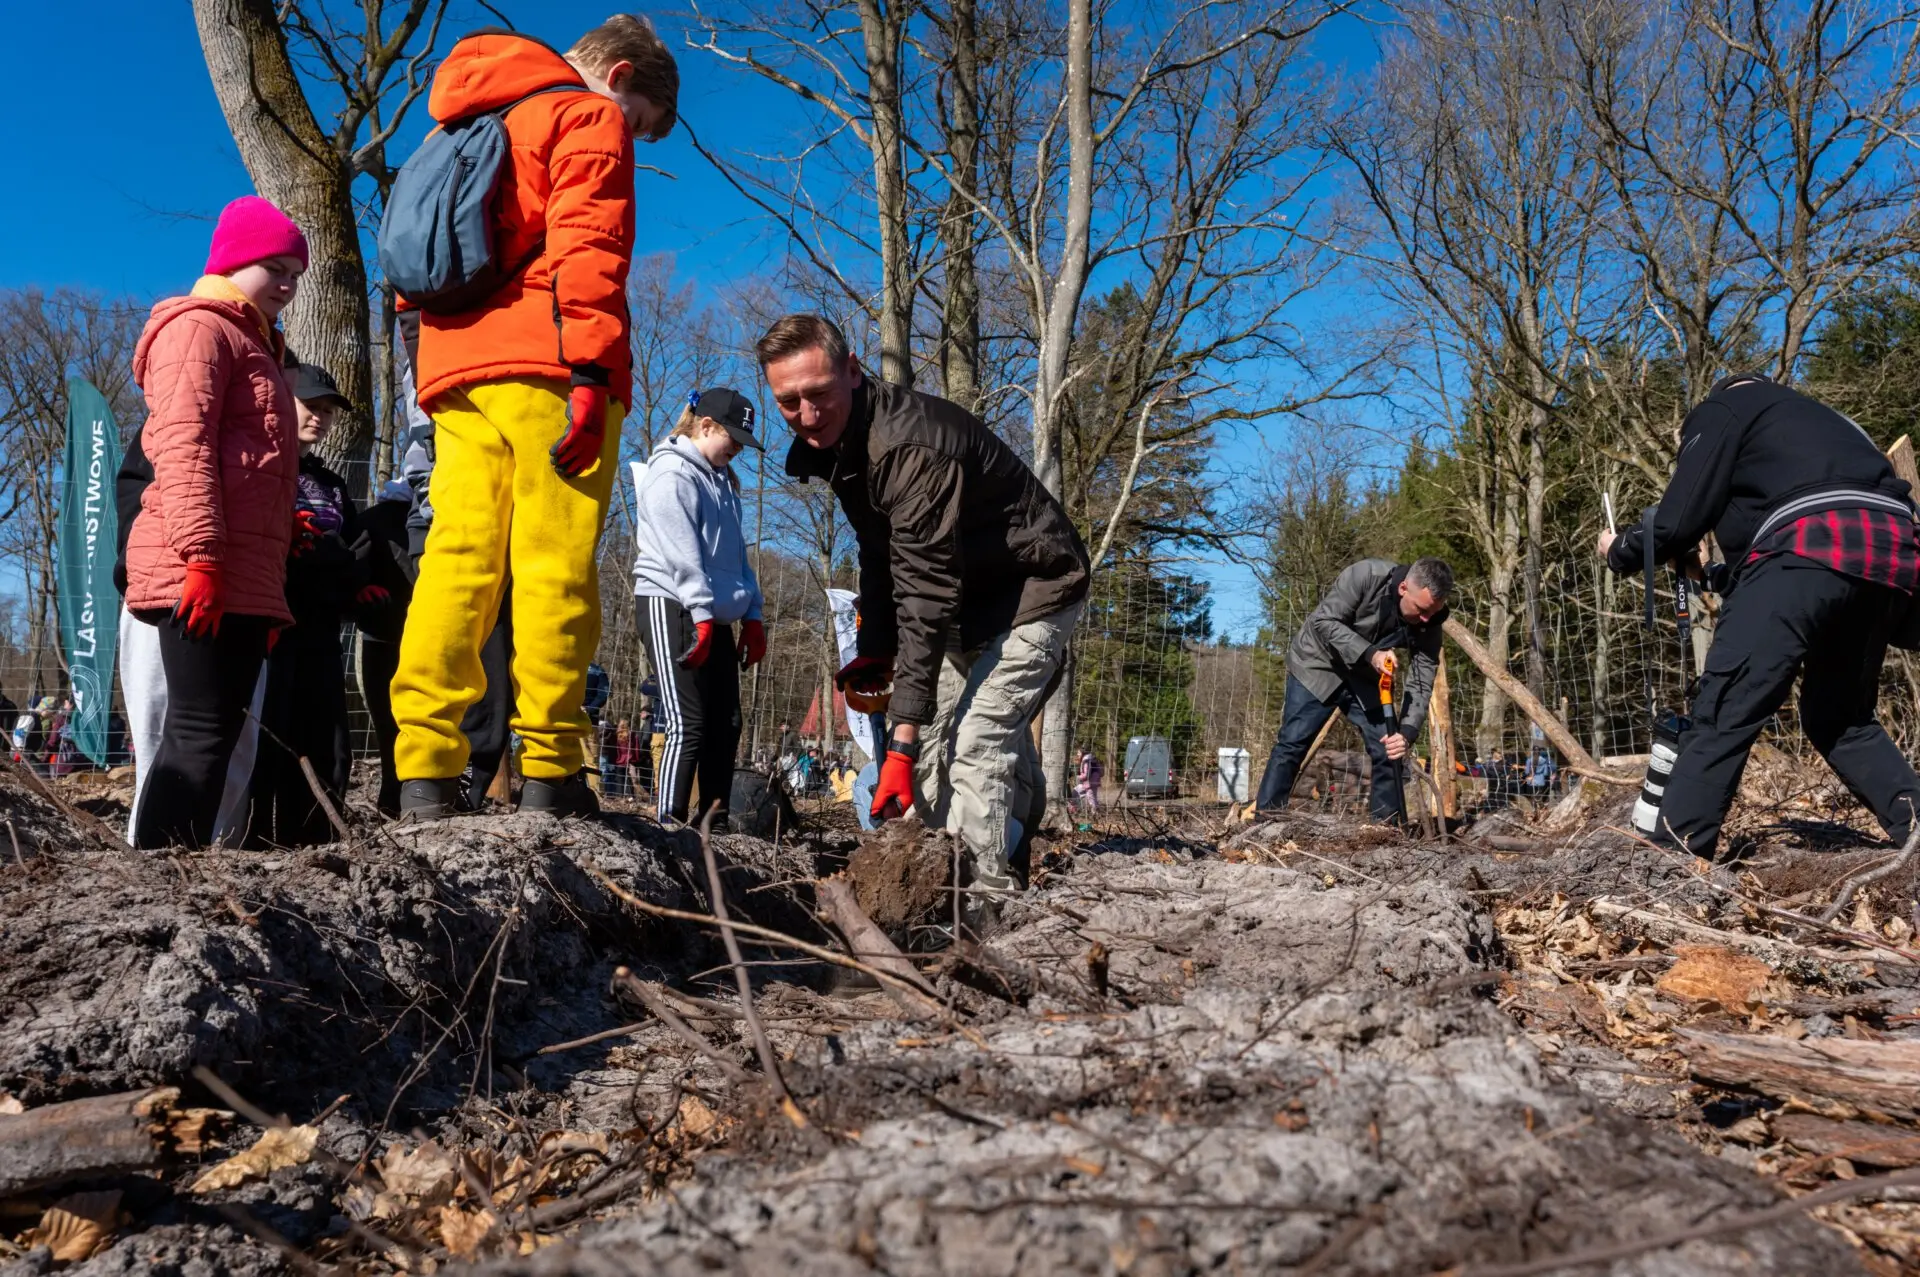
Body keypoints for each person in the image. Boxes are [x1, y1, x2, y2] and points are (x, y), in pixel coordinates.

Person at [389, 17, 679, 820]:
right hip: (552, 366)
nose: (635, 134)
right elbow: (591, 250)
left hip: (455, 374)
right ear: (618, 76)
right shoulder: (584, 117)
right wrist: (592, 371)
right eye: (642, 120)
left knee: (455, 564)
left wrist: (432, 369)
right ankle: (552, 773)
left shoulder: (462, 122)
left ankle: (424, 774)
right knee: (554, 566)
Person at [759, 314, 1091, 898]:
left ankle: (979, 903)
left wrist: (898, 744)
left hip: (1033, 588)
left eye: (818, 394)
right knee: (938, 743)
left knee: (978, 738)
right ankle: (971, 863)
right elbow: (879, 555)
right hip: (967, 601)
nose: (807, 417)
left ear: (854, 373)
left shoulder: (911, 446)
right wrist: (873, 655)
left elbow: (926, 590)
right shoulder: (841, 444)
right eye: (789, 403)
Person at [1599, 374, 1920, 855]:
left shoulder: (1728, 406)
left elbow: (1677, 518)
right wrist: (1712, 575)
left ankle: (1672, 862)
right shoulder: (1830, 425)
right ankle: (1915, 826)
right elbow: (1777, 581)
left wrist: (1622, 549)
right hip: (1890, 556)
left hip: (1807, 547)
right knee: (1840, 718)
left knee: (1724, 708)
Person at [122, 196, 305, 849]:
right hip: (196, 565)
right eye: (274, 266)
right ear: (233, 261)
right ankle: (155, 886)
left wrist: (270, 578)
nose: (287, 283)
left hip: (242, 575)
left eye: (295, 274)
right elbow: (184, 444)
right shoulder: (201, 329)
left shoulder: (259, 345)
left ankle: (188, 881)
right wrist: (202, 557)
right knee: (196, 734)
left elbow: (257, 472)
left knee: (219, 736)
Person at [247, 363, 385, 846]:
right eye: (312, 406)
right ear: (283, 402)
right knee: (272, 734)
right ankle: (257, 839)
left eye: (329, 411)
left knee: (329, 741)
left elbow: (348, 543)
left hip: (324, 625)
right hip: (272, 624)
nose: (322, 418)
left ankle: (319, 840)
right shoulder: (263, 464)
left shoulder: (330, 483)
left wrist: (355, 587)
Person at [632, 388, 766, 825]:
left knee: (727, 721)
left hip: (711, 613)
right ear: (705, 426)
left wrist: (753, 614)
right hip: (670, 602)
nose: (737, 452)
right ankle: (668, 826)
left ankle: (714, 822)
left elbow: (736, 558)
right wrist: (702, 616)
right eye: (734, 440)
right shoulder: (671, 474)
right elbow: (681, 554)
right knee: (685, 721)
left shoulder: (724, 481)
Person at [1252, 557, 1453, 824]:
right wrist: (1371, 654)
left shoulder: (1430, 619)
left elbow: (1421, 679)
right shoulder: (1366, 575)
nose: (1426, 618)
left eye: (1433, 611)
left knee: (1387, 749)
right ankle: (1267, 820)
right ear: (1404, 587)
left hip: (1366, 678)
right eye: (1421, 609)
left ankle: (1386, 829)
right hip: (1317, 664)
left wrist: (1407, 731)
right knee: (1292, 742)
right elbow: (1323, 622)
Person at [355, 479, 416, 815]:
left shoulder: (372, 519)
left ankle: (394, 796)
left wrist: (358, 592)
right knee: (403, 721)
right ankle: (403, 795)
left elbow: (352, 562)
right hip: (404, 636)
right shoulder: (438, 517)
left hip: (381, 634)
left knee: (389, 723)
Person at [1075, 747, 1104, 815]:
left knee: (1090, 797)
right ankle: (1096, 812)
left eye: (1078, 753)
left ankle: (1094, 813)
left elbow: (1086, 775)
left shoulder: (1086, 761)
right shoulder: (1091, 759)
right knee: (1093, 797)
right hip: (1094, 781)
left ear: (1082, 753)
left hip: (1090, 782)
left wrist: (1078, 777)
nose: (1077, 754)